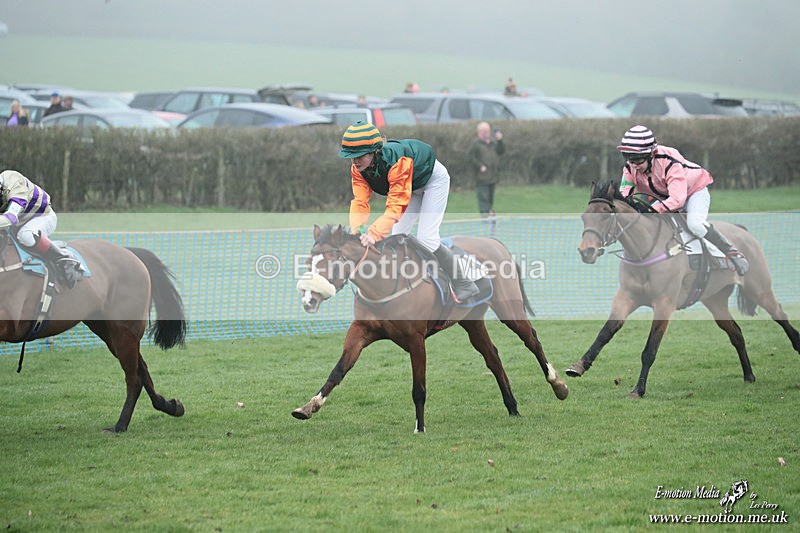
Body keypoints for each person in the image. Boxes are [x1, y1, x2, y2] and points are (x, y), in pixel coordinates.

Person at [338, 121, 479, 302]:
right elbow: (360, 201)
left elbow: (395, 206)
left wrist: (373, 234)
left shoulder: (398, 163)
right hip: (411, 187)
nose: (355, 161)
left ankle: (464, 283)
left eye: (359, 155)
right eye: (351, 156)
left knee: (427, 238)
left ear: (374, 151)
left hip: (433, 182)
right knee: (397, 240)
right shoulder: (358, 169)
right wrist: (357, 231)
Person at [616, 125, 748, 275]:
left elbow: (678, 200)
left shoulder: (669, 159)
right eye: (628, 158)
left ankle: (732, 253)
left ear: (651, 154)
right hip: (666, 196)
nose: (633, 165)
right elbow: (624, 195)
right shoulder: (630, 167)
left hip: (693, 192)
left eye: (638, 160)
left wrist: (652, 209)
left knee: (695, 224)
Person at [0, 169, 85, 287]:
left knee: (26, 235)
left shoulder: (12, 179)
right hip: (21, 221)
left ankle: (63, 258)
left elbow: (11, 218)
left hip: (43, 217)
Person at [467, 121, 505, 217]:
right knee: (483, 199)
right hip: (482, 177)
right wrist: (480, 166)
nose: (486, 132)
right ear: (479, 132)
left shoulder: (493, 143)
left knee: (490, 198)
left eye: (487, 130)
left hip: (493, 176)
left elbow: (501, 151)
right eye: (484, 131)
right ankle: (485, 218)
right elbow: (469, 157)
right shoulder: (476, 144)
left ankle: (489, 214)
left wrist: (500, 141)